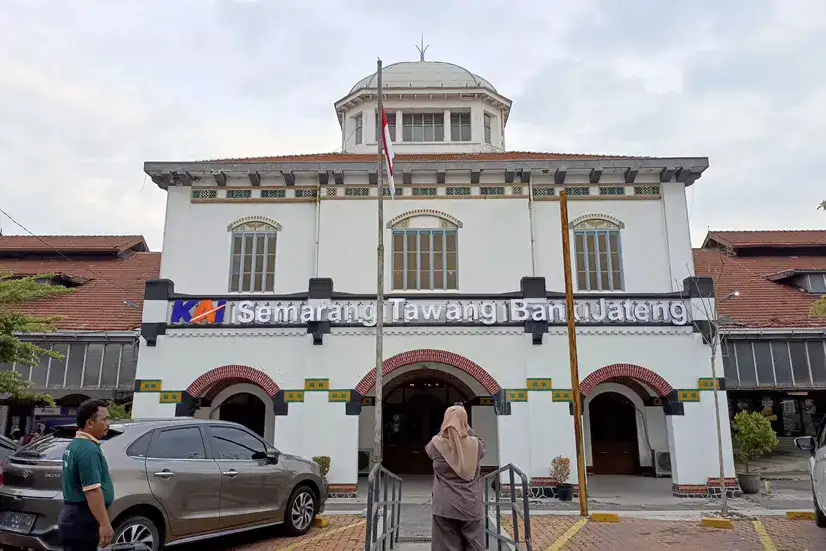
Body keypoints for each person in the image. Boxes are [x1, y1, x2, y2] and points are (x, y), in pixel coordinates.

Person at [425, 405, 486, 551]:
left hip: (444, 506)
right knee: (475, 547)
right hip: (471, 505)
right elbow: (482, 444)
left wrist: (447, 427)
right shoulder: (476, 445)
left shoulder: (435, 445)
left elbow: (428, 450)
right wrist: (466, 427)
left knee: (445, 546)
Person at [57, 399, 115, 551]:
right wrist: (104, 524)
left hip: (74, 516)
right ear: (90, 423)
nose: (108, 423)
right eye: (104, 419)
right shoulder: (88, 449)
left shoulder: (76, 444)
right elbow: (92, 490)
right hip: (82, 519)